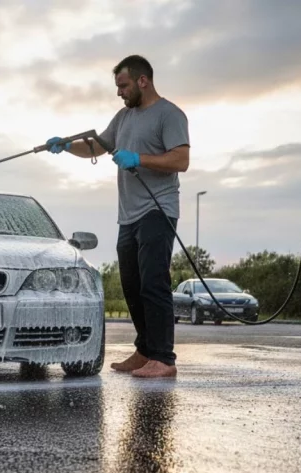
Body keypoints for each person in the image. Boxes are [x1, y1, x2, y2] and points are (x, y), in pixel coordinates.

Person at [46, 55, 189, 378]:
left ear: (143, 81)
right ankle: (145, 350)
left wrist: (140, 157)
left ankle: (164, 358)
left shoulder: (169, 114)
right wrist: (66, 145)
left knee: (154, 283)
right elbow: (98, 147)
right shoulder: (123, 117)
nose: (119, 92)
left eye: (123, 85)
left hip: (158, 209)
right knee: (131, 284)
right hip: (129, 215)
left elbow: (181, 160)